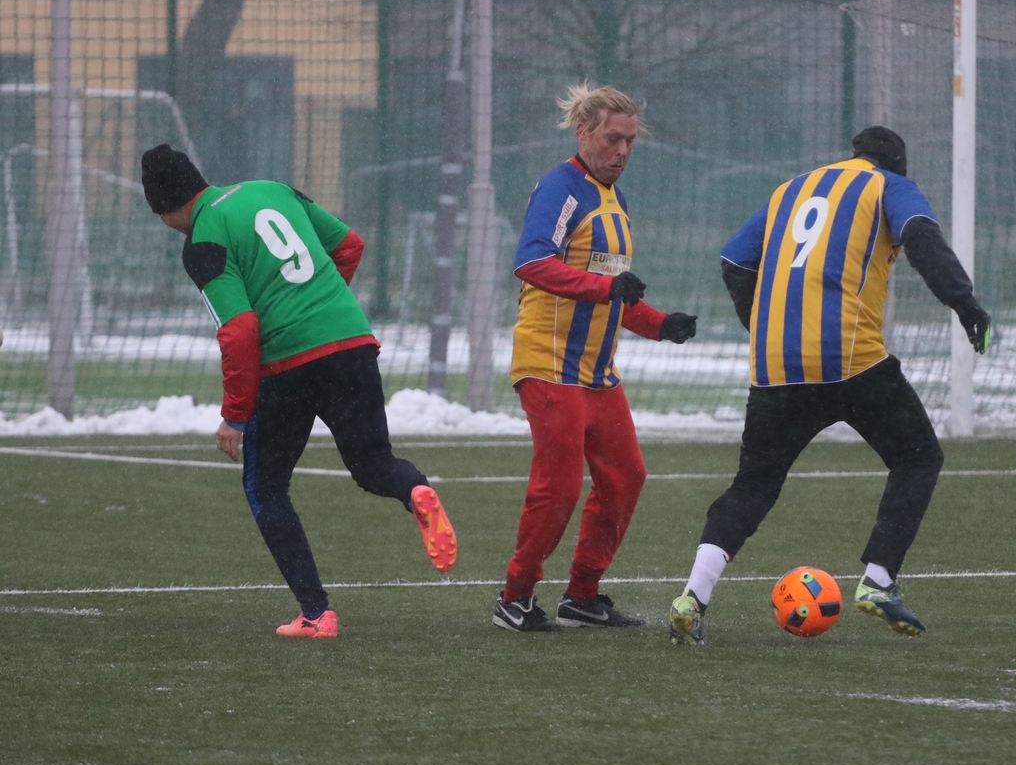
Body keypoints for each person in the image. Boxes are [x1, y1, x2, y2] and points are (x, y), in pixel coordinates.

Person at [668, 126, 991, 645]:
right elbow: (921, 237)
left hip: (776, 364)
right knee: (917, 458)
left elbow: (734, 259)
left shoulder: (791, 189)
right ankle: (878, 581)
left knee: (753, 484)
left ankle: (692, 597)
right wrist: (964, 303)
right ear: (896, 165)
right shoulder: (887, 185)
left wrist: (761, 324)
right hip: (850, 359)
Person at [141, 143, 457, 639]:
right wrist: (321, 309)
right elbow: (349, 245)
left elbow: (239, 329)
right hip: (351, 342)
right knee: (373, 464)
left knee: (265, 486)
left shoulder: (202, 239)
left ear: (163, 209)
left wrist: (235, 414)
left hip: (288, 364)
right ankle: (414, 489)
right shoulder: (272, 189)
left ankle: (317, 614)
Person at [494, 84, 699, 633]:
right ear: (583, 132)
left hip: (596, 374)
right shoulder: (560, 189)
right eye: (613, 138)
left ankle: (582, 596)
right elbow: (532, 262)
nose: (623, 150)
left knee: (626, 477)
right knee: (558, 489)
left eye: (630, 141)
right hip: (548, 364)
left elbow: (613, 290)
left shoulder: (616, 202)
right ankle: (514, 598)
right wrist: (607, 289)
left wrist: (660, 324)